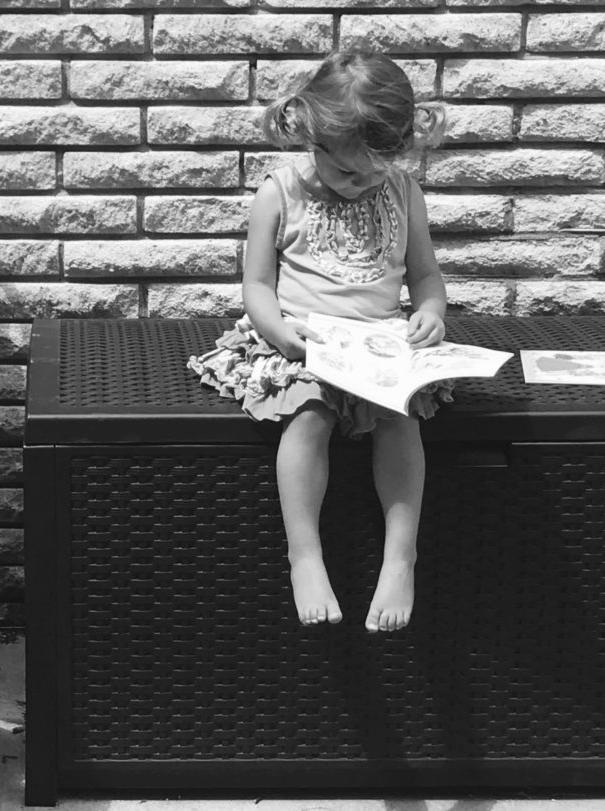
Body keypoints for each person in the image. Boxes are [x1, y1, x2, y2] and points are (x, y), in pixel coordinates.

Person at [188, 49, 448, 633]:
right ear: (313, 139)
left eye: (372, 170)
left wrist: (430, 310)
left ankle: (401, 555)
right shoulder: (280, 193)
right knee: (309, 414)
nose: (358, 183)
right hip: (301, 342)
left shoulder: (403, 193)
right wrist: (280, 332)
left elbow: (425, 274)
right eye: (344, 171)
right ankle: (304, 556)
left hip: (379, 344)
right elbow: (256, 285)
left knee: (400, 416)